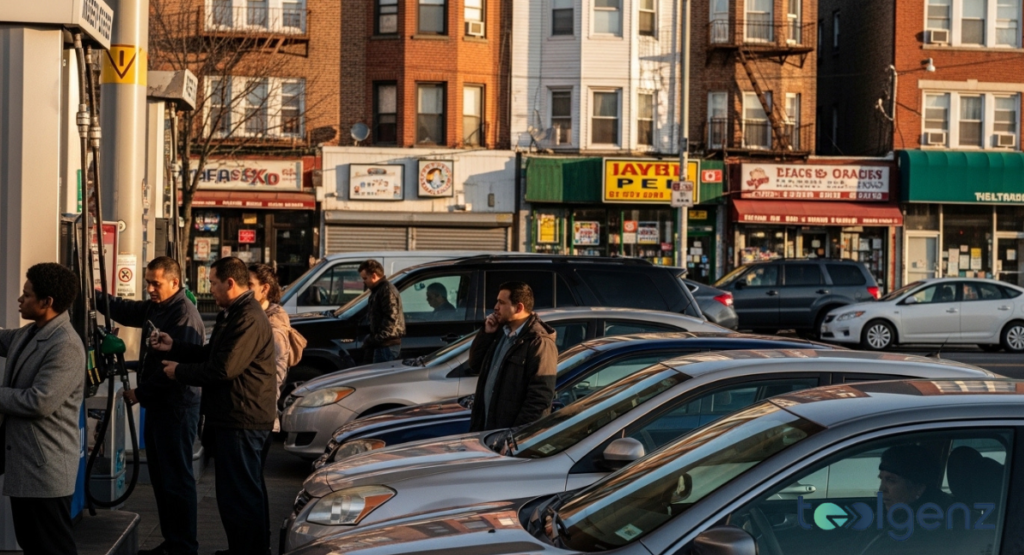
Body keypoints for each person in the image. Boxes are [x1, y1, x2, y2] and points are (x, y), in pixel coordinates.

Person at [151, 257, 276, 555]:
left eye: (213, 283)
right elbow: (211, 354)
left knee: (241, 496)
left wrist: (178, 371)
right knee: (238, 495)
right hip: (234, 417)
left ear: (230, 283)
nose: (210, 290)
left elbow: (223, 369)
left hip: (243, 420)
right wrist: (175, 347)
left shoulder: (247, 316)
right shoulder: (234, 313)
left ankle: (249, 551)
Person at [96, 256, 205, 555]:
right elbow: (125, 310)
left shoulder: (183, 315)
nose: (150, 288)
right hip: (161, 408)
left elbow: (174, 370)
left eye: (156, 283)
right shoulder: (157, 308)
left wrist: (139, 393)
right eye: (148, 283)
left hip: (176, 408)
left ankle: (183, 547)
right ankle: (173, 542)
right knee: (162, 479)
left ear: (174, 282)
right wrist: (92, 296)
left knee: (177, 481)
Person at [0, 263, 85, 555]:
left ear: (47, 302)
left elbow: (39, 401)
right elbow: (2, 338)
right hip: (26, 465)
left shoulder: (65, 346)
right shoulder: (29, 333)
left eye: (27, 295)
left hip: (44, 469)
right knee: (33, 544)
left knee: (51, 548)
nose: (20, 300)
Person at [468, 281, 557, 432]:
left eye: (501, 303)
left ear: (519, 307)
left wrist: (515, 437)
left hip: (508, 438)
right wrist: (486, 334)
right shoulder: (500, 333)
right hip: (487, 430)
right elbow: (475, 364)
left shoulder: (538, 342)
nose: (496, 307)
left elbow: (539, 398)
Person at [358, 259, 405, 363]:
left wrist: (374, 340)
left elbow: (391, 320)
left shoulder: (386, 290)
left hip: (386, 346)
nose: (363, 282)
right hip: (383, 344)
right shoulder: (379, 290)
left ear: (374, 276)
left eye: (365, 278)